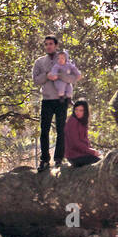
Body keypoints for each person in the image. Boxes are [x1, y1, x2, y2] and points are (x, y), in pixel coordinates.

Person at [31, 35, 81, 171]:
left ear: (56, 45)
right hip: (47, 100)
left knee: (61, 130)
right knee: (44, 131)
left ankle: (59, 159)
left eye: (51, 44)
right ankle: (44, 160)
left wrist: (59, 75)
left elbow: (73, 78)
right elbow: (35, 80)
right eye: (46, 44)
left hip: (61, 100)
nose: (48, 46)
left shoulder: (65, 60)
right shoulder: (39, 62)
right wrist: (46, 75)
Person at [64, 98, 101, 167]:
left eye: (81, 110)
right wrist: (92, 151)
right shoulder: (72, 121)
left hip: (81, 154)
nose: (77, 112)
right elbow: (76, 143)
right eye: (76, 110)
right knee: (100, 163)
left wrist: (92, 151)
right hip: (74, 156)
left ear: (85, 111)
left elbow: (84, 141)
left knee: (101, 159)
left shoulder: (82, 121)